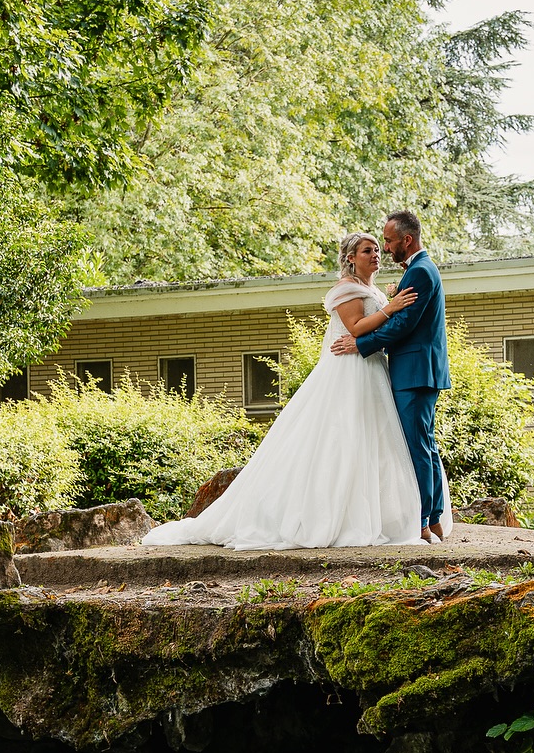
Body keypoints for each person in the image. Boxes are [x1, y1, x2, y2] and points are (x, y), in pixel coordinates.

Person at [141, 231, 446, 551]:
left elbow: (378, 328)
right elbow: (355, 329)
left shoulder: (372, 290)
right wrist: (392, 306)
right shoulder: (345, 289)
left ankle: (383, 515)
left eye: (376, 250)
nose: (376, 254)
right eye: (368, 250)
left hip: (373, 369)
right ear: (350, 258)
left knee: (377, 441)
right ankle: (330, 514)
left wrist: (391, 303)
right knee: (341, 439)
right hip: (348, 369)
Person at [330, 210, 450, 543]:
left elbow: (402, 325)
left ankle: (423, 521)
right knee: (425, 445)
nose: (384, 248)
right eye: (377, 244)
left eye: (387, 241)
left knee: (418, 447)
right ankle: (434, 518)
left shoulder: (421, 273)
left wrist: (360, 344)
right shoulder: (418, 271)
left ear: (406, 240)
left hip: (415, 372)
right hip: (415, 371)